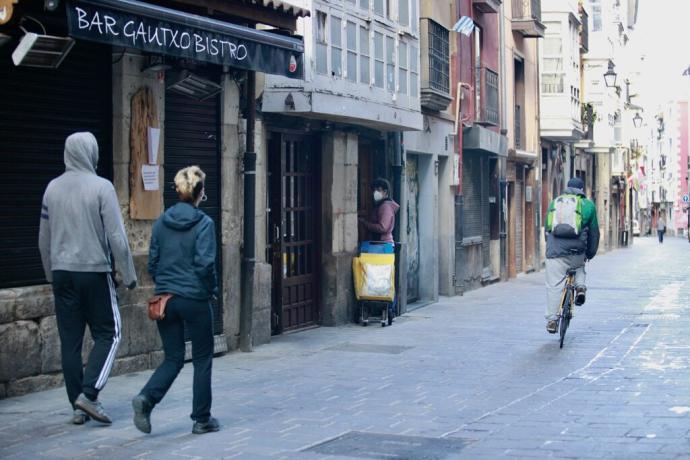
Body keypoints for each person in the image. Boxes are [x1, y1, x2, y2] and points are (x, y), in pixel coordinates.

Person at [38, 132, 137, 425]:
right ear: (91, 153)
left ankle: (77, 408)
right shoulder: (101, 188)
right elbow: (117, 237)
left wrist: (50, 273)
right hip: (93, 272)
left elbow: (43, 239)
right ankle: (90, 395)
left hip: (62, 274)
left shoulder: (51, 189)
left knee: (69, 342)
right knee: (110, 333)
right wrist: (129, 275)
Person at [132, 166, 219, 435]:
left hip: (166, 299)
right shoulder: (204, 223)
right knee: (203, 357)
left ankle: (147, 398)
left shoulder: (160, 222)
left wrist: (166, 284)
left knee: (173, 357)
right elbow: (205, 265)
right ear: (200, 193)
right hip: (194, 298)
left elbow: (153, 263)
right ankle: (201, 419)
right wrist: (210, 290)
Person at [544, 177, 599, 334]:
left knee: (554, 285)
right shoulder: (588, 205)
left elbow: (547, 228)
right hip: (577, 251)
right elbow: (594, 233)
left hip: (555, 252)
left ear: (567, 188)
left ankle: (552, 320)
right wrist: (589, 253)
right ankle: (580, 287)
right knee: (580, 266)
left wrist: (550, 248)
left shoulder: (555, 203)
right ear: (582, 190)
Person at [358, 178, 400, 244]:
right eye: (374, 190)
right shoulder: (381, 205)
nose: (375, 192)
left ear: (385, 191)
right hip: (380, 243)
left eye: (378, 190)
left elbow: (383, 227)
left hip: (383, 244)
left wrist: (365, 224)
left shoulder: (385, 206)